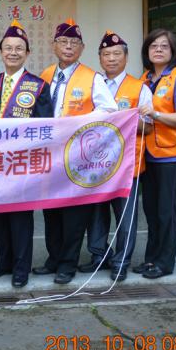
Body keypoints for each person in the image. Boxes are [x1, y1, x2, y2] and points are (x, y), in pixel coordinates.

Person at [32, 18, 117, 285]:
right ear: (54, 45)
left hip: (77, 157)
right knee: (50, 210)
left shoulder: (92, 77)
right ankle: (54, 258)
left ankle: (68, 264)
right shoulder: (45, 75)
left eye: (74, 43)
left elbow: (109, 110)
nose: (68, 47)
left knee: (73, 213)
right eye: (63, 41)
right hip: (49, 154)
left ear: (82, 48)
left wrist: (79, 124)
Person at [0, 20, 52, 288]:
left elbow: (46, 127)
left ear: (27, 53)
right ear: (0, 52)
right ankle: (2, 263)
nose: (13, 52)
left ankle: (21, 268)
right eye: (8, 48)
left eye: (19, 48)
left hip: (22, 164)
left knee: (20, 218)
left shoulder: (38, 85)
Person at [80, 31, 152, 281]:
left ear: (126, 57)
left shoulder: (139, 88)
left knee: (125, 216)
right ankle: (99, 256)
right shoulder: (92, 84)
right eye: (106, 54)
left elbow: (149, 126)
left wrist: (123, 120)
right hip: (95, 164)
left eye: (116, 54)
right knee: (95, 213)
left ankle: (121, 261)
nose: (111, 58)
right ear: (100, 58)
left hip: (126, 165)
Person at [137, 28, 176, 279]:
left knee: (168, 212)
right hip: (148, 155)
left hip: (174, 156)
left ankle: (165, 262)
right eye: (153, 46)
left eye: (164, 46)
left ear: (173, 51)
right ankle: (151, 259)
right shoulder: (144, 79)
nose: (158, 50)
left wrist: (156, 114)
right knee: (152, 212)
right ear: (147, 51)